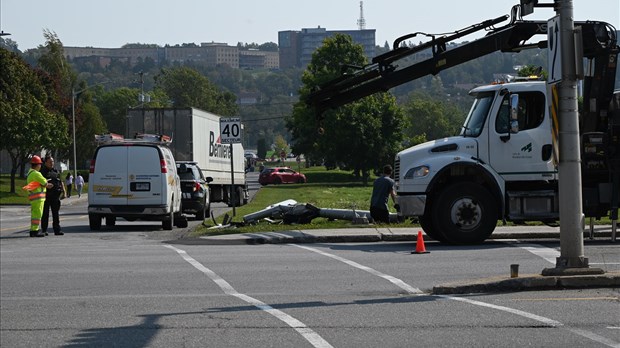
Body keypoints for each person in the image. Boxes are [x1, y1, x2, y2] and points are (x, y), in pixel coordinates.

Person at [24, 155, 52, 237]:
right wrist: (47, 184)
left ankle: (33, 230)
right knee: (38, 215)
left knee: (34, 215)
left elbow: (37, 183)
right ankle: (35, 230)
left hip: (33, 198)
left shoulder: (30, 173)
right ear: (38, 165)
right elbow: (46, 184)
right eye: (40, 164)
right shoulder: (37, 174)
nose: (40, 166)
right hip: (38, 198)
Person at [41, 156, 66, 236]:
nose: (51, 163)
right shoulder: (42, 171)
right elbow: (40, 182)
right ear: (45, 163)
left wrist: (64, 191)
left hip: (55, 195)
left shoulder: (55, 171)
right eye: (50, 162)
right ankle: (44, 230)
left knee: (56, 213)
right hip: (46, 195)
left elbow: (60, 181)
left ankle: (57, 230)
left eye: (52, 162)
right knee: (45, 214)